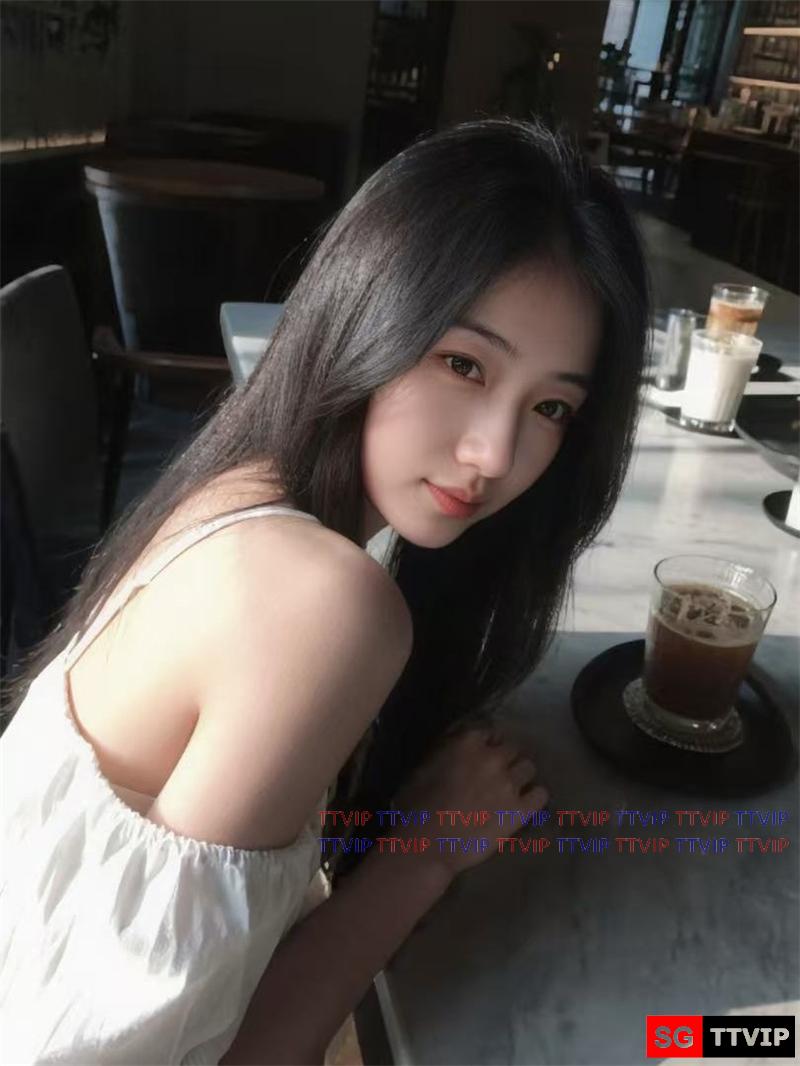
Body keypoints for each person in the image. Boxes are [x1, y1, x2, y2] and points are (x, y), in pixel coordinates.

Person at [0, 116, 649, 1064]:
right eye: (463, 364)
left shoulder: (240, 483)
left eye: (551, 406)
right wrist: (426, 851)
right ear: (368, 311)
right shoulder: (321, 601)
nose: (495, 452)